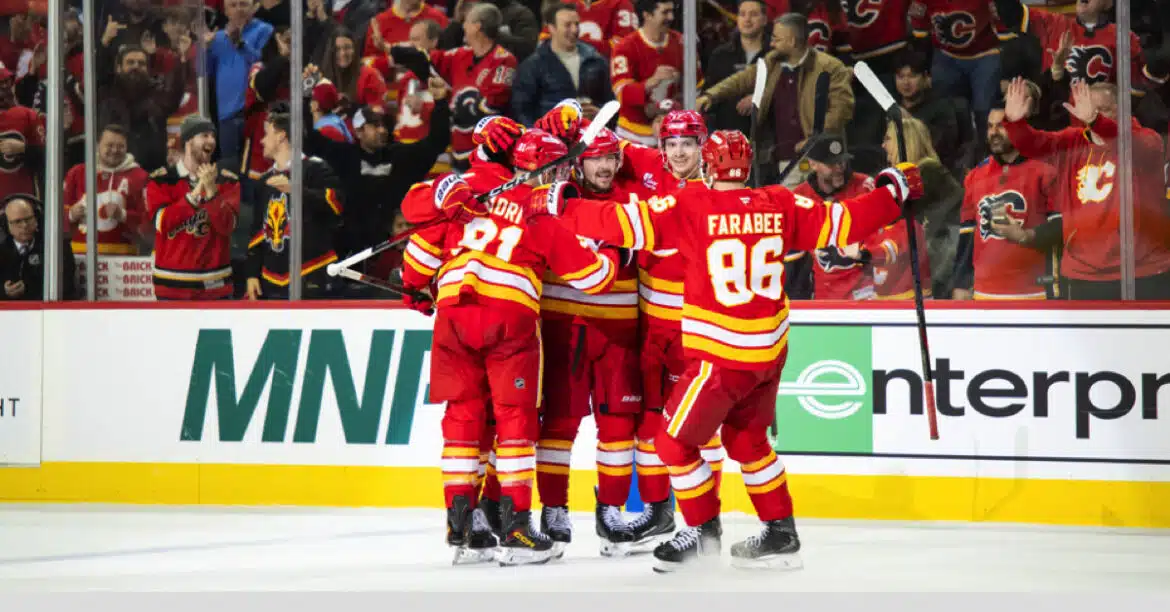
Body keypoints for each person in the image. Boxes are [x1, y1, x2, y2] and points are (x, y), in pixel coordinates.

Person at [540, 129, 923, 571]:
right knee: (748, 441)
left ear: (708, 163)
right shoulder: (781, 202)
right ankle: (781, 533)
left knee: (672, 444)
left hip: (722, 356)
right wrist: (894, 190)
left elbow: (622, 224)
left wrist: (564, 206)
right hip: (770, 354)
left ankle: (703, 533)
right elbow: (844, 222)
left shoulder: (692, 205)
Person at [398, 129, 619, 567]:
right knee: (515, 419)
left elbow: (421, 251)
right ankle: (516, 526)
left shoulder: (474, 194)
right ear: (552, 170)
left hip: (454, 313)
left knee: (462, 418)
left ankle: (460, 526)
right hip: (507, 318)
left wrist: (416, 289)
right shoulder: (543, 216)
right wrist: (613, 250)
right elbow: (595, 279)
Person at [532, 127, 645, 558]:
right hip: (567, 325)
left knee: (619, 427)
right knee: (560, 424)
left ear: (619, 162)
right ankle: (554, 510)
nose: (603, 166)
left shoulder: (632, 203)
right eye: (595, 158)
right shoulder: (559, 200)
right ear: (580, 161)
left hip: (619, 332)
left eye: (610, 158)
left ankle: (610, 511)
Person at [1000, 78, 1170, 299]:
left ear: (1123, 110)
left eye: (1103, 110)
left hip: (1144, 270)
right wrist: (1015, 123)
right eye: (1090, 110)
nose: (1094, 116)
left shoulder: (1148, 140)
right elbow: (1032, 143)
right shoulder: (1073, 141)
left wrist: (1095, 120)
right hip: (1084, 273)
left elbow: (1126, 143)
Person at [697, 13, 854, 188]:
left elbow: (842, 110)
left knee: (823, 207)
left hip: (823, 158)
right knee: (790, 210)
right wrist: (711, 95)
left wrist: (813, 139)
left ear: (793, 41)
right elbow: (742, 79)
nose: (771, 44)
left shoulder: (830, 67)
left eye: (776, 39)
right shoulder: (772, 62)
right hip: (784, 160)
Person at [952, 105, 1060, 301]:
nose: (994, 133)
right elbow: (968, 234)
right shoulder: (975, 176)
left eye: (1001, 126)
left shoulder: (1045, 171)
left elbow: (1061, 227)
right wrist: (961, 282)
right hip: (984, 292)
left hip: (1034, 291)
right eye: (990, 126)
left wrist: (1026, 236)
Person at [245, 109, 344, 300]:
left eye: (267, 133)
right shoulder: (264, 180)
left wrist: (296, 190)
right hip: (271, 282)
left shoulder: (316, 168)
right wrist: (251, 273)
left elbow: (336, 205)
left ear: (282, 136)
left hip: (313, 276)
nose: (262, 140)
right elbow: (258, 232)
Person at [145, 116, 241, 301]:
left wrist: (212, 191)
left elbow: (227, 226)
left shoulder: (227, 181)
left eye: (213, 136)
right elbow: (163, 222)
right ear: (188, 141)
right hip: (171, 286)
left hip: (215, 286)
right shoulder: (161, 180)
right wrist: (196, 193)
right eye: (204, 135)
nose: (211, 141)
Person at [429, 3, 518, 170]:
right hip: (459, 152)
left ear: (477, 27)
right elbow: (428, 59)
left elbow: (492, 106)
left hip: (490, 156)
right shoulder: (461, 55)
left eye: (466, 21)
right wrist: (392, 50)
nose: (463, 26)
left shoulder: (504, 61)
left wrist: (451, 102)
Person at [790, 134, 877, 301]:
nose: (839, 168)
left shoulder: (866, 187)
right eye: (831, 164)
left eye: (842, 161)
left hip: (867, 295)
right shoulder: (799, 198)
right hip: (826, 300)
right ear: (813, 164)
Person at [610, 0, 702, 145]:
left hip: (673, 135)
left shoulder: (681, 43)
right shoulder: (624, 47)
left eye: (672, 11)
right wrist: (651, 82)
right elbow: (622, 94)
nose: (671, 17)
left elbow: (696, 89)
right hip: (632, 137)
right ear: (647, 15)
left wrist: (673, 109)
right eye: (665, 12)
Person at [511, 2, 613, 127]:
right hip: (552, 141)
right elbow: (522, 111)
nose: (575, 30)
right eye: (568, 25)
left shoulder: (596, 60)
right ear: (551, 28)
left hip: (591, 137)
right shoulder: (532, 66)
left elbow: (610, 102)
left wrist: (601, 114)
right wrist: (541, 135)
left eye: (576, 24)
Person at [63, 124, 150, 256]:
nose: (115, 150)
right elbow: (55, 215)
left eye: (121, 146)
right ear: (98, 145)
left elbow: (148, 221)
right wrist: (71, 214)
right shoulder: (77, 173)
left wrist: (123, 215)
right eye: (109, 145)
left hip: (123, 260)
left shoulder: (140, 176)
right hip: (80, 256)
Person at [0, 194, 77, 300]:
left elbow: (66, 284)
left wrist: (28, 288)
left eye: (28, 219)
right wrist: (4, 291)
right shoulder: (2, 250)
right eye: (17, 221)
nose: (24, 225)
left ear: (37, 219)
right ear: (6, 224)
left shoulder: (57, 247)